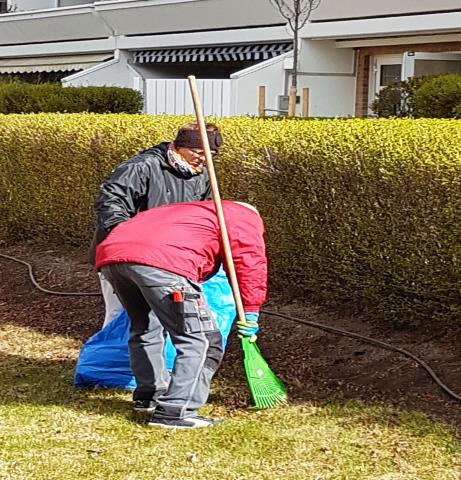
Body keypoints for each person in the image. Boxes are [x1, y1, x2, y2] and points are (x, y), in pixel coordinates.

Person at [95, 200, 267, 429]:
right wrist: (251, 311)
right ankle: (176, 410)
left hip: (113, 256)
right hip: (163, 263)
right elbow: (248, 262)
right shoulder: (243, 217)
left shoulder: (189, 211)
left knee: (145, 327)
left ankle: (149, 396)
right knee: (202, 338)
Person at [89, 122, 223, 326]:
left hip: (169, 258)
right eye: (198, 152)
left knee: (160, 317)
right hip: (124, 255)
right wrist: (124, 238)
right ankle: (115, 357)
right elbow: (110, 201)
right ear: (179, 146)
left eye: (210, 154)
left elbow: (201, 216)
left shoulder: (202, 175)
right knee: (121, 316)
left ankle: (153, 357)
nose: (204, 160)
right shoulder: (142, 167)